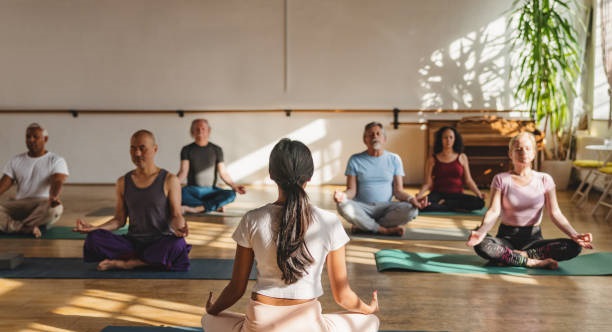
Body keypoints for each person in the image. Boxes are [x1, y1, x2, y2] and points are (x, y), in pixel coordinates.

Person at [202, 139, 379, 332]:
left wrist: (213, 308)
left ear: (272, 174)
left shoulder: (252, 219)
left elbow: (236, 289)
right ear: (309, 176)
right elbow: (342, 296)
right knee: (371, 322)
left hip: (259, 325)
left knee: (208, 320)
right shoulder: (329, 222)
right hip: (308, 325)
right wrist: (368, 308)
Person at [466, 132, 593, 269]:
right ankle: (530, 262)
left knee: (574, 247)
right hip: (506, 238)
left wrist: (574, 235)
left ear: (533, 153)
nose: (523, 153)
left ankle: (515, 256)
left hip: (533, 240)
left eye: (527, 148)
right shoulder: (501, 179)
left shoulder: (545, 179)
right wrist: (482, 231)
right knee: (482, 244)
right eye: (518, 149)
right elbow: (493, 211)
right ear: (510, 154)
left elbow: (555, 213)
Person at [74, 130, 190, 271]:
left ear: (155, 149)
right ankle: (148, 260)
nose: (137, 153)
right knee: (94, 238)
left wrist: (179, 228)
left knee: (178, 244)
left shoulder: (170, 180)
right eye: (133, 148)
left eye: (142, 148)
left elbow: (176, 215)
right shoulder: (123, 182)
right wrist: (94, 228)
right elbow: (119, 220)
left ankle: (129, 263)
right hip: (132, 243)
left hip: (160, 242)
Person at [334, 121, 428, 236]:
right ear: (365, 140)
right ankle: (383, 230)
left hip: (386, 208)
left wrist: (411, 199)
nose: (375, 137)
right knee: (342, 205)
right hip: (363, 207)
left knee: (412, 209)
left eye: (378, 134)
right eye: (371, 134)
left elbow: (398, 191)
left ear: (384, 139)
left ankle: (365, 226)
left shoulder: (394, 159)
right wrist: (342, 196)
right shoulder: (355, 160)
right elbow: (351, 191)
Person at [0, 123, 69, 238]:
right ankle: (24, 228)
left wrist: (53, 196)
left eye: (35, 137)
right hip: (19, 204)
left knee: (55, 208)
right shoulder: (16, 160)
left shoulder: (56, 160)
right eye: (28, 137)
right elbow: (4, 183)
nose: (31, 140)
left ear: (45, 139)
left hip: (42, 204)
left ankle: (13, 226)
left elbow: (57, 181)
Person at [177, 119, 246, 214]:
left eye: (203, 128)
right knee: (178, 194)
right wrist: (170, 186)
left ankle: (197, 208)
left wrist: (234, 186)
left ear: (208, 131)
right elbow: (183, 172)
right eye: (197, 129)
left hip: (211, 190)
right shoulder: (186, 149)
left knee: (231, 194)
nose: (200, 131)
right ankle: (212, 206)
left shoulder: (217, 149)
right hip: (192, 190)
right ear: (192, 132)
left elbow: (223, 173)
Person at [416, 126, 485, 212]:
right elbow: (428, 183)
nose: (448, 140)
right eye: (445, 137)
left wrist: (478, 194)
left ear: (455, 139)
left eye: (451, 137)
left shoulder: (462, 157)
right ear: (440, 139)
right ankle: (452, 206)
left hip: (456, 194)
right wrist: (419, 195)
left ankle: (446, 204)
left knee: (480, 203)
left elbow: (468, 180)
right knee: (422, 204)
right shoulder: (432, 159)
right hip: (438, 194)